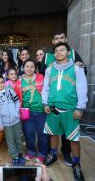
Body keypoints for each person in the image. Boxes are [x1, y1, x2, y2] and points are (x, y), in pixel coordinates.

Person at [42, 42, 87, 181]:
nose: (59, 52)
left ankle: (76, 163)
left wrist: (80, 107)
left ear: (68, 52)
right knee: (53, 133)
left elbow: (82, 88)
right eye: (56, 51)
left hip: (70, 109)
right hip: (53, 108)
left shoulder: (76, 69)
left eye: (62, 50)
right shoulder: (49, 69)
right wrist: (45, 103)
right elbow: (46, 88)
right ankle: (53, 155)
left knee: (73, 138)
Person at [0, 75, 25, 166]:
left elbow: (17, 102)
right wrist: (0, 124)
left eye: (2, 82)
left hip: (16, 120)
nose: (1, 84)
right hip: (6, 122)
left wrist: (16, 112)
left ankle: (20, 154)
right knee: (10, 140)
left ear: (4, 82)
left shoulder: (10, 90)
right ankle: (15, 157)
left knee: (18, 138)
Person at [21, 59, 48, 163]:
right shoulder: (20, 81)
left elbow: (48, 89)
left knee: (42, 134)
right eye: (27, 66)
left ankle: (42, 153)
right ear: (23, 68)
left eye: (31, 66)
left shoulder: (41, 77)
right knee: (29, 133)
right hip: (27, 112)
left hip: (42, 111)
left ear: (35, 68)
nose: (29, 69)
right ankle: (31, 151)